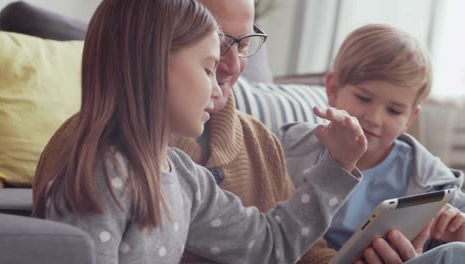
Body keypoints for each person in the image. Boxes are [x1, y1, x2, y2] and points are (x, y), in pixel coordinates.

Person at [32, 0, 368, 263]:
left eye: (243, 44)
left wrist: (335, 167)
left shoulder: (184, 177)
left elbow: (269, 246)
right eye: (208, 65)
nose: (229, 71)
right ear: (152, 65)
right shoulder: (102, 170)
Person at [280, 24, 465, 263]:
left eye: (394, 110)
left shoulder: (429, 179)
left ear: (410, 118)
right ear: (333, 89)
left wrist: (456, 231)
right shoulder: (290, 150)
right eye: (364, 98)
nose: (374, 118)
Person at [173, 0, 340, 262]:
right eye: (219, 41)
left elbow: (298, 249)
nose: (233, 65)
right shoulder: (115, 159)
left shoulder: (261, 142)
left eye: (243, 45)